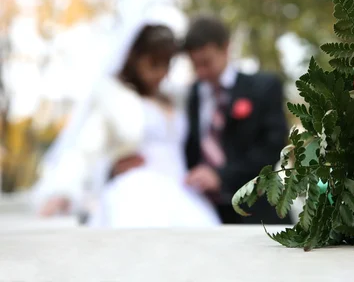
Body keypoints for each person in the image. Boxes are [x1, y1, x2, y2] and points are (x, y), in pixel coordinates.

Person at [34, 17, 220, 228]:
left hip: (184, 195)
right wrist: (62, 192)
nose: (160, 73)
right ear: (136, 59)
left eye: (166, 65)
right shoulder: (116, 100)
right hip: (137, 196)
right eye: (153, 64)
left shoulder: (176, 99)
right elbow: (85, 150)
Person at [182, 17, 290, 224]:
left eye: (206, 62)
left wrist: (221, 176)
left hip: (256, 212)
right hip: (204, 215)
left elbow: (272, 148)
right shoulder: (192, 95)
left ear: (225, 47)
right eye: (195, 65)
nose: (201, 72)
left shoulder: (263, 87)